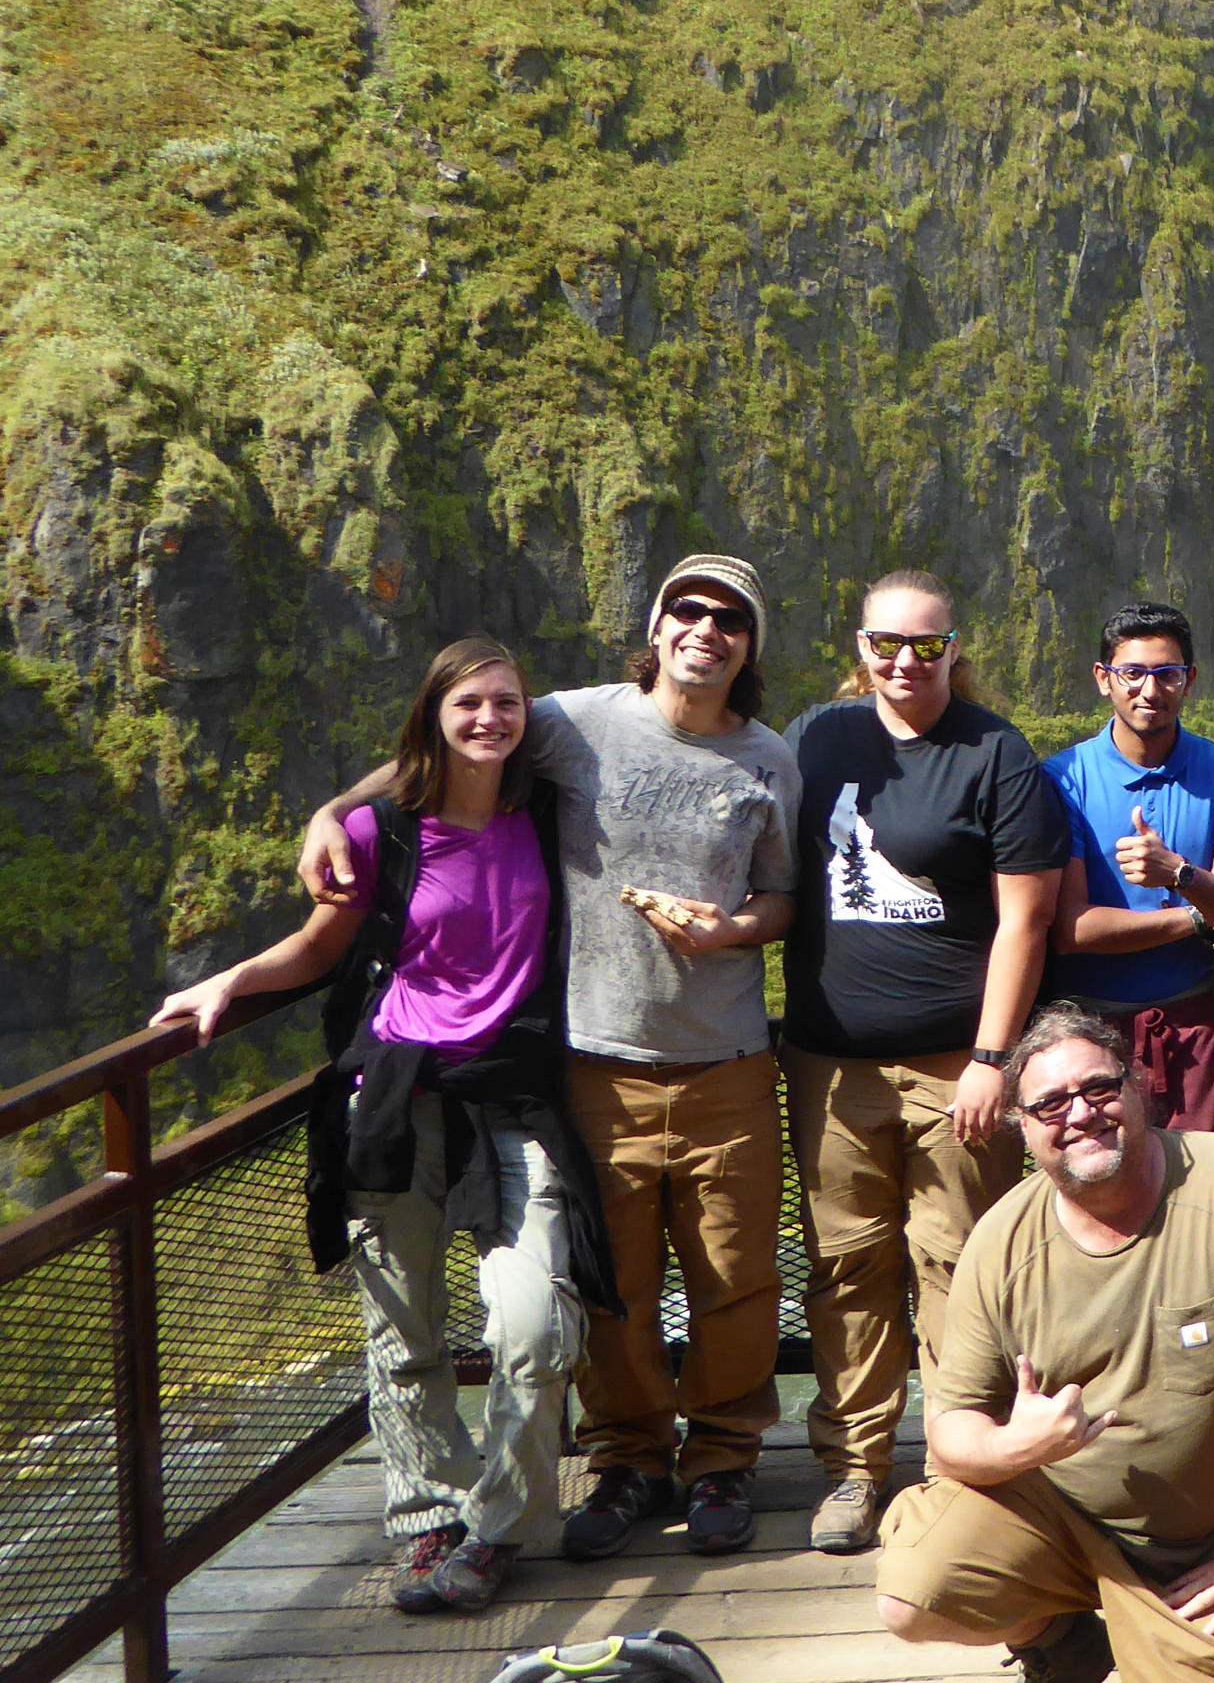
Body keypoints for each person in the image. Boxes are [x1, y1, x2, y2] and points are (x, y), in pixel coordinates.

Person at [300, 553, 798, 1559]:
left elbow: (783, 896)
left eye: (728, 619)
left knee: (738, 1275)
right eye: (686, 611)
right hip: (594, 1060)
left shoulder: (770, 759)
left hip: (729, 1057)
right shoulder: (575, 720)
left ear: (748, 644)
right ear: (655, 628)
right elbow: (448, 750)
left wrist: (733, 929)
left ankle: (723, 1460)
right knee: (605, 1275)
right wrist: (332, 811)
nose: (705, 630)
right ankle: (626, 1460)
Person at [160, 639, 617, 1614]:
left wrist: (326, 804)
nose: (490, 720)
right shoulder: (381, 831)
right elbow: (321, 945)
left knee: (533, 1326)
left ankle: (494, 1527)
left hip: (514, 1094)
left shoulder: (539, 805)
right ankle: (428, 1522)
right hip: (396, 1095)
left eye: (506, 704)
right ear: (434, 716)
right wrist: (228, 980)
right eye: (468, 705)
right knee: (403, 1330)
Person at [874, 1003, 1214, 1683]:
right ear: (1021, 1128)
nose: (1078, 1115)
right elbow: (950, 1435)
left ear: (1140, 1090)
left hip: (1202, 1553)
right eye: (1049, 1105)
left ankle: (1155, 1643)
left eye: (1098, 1088)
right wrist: (1021, 1446)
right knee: (913, 1591)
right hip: (1057, 1519)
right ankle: (1061, 1646)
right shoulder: (1000, 1240)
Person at [781, 568, 1070, 1555]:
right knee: (845, 1265)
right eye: (884, 644)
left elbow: (1025, 918)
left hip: (956, 1062)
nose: (904, 662)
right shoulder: (817, 739)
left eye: (926, 645)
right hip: (828, 1063)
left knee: (958, 1263)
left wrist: (994, 1056)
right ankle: (855, 1469)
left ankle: (960, 1462)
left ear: (955, 649)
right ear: (857, 648)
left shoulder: (994, 752)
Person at [1042, 602, 1214, 1133]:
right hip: (1086, 1028)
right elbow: (1074, 929)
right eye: (1133, 673)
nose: (1150, 690)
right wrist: (1205, 910)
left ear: (1189, 680)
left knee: (1197, 1182)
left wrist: (1180, 874)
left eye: (1167, 673)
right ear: (1104, 679)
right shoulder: (1062, 779)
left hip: (1194, 1024)